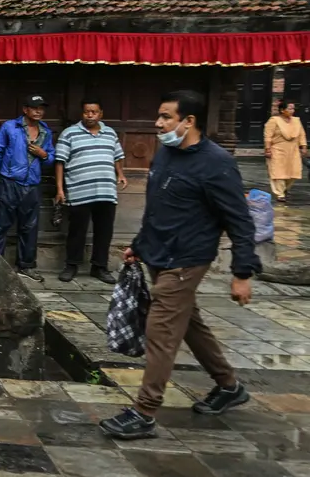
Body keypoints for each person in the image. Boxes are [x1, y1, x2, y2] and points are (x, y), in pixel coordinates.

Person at [100, 90, 260, 440]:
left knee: (161, 332)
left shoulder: (216, 163)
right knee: (189, 323)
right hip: (158, 253)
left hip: (187, 259)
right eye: (159, 116)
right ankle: (229, 385)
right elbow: (158, 208)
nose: (158, 123)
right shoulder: (167, 154)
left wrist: (242, 272)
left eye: (166, 117)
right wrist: (139, 246)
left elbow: (240, 220)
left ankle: (144, 412)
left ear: (189, 121)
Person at [54, 99, 127, 284]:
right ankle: (71, 265)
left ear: (100, 113)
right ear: (82, 113)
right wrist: (60, 189)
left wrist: (120, 174)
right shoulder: (69, 134)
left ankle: (100, 267)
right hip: (79, 191)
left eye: (94, 112)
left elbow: (118, 156)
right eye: (87, 112)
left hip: (106, 191)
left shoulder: (110, 133)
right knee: (77, 231)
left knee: (104, 231)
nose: (90, 115)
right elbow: (60, 162)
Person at [0, 94, 56, 282]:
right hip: (9, 181)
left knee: (29, 227)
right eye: (35, 108)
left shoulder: (45, 132)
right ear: (25, 109)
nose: (39, 111)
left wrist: (43, 154)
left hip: (32, 185)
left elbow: (51, 158)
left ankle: (26, 266)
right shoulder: (10, 127)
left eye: (41, 108)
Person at [265, 99, 307, 203]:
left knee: (293, 172)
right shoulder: (274, 120)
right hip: (278, 149)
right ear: (283, 110)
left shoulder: (296, 120)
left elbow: (302, 134)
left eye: (293, 108)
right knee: (278, 172)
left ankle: (285, 189)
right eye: (290, 108)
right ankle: (280, 194)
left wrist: (303, 147)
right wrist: (268, 149)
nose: (292, 110)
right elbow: (268, 136)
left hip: (293, 149)